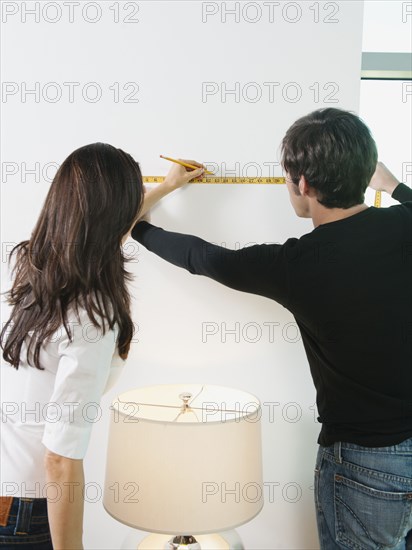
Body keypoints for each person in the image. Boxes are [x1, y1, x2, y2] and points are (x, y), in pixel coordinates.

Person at [132, 108, 412, 549]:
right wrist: (394, 187)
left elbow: (204, 258)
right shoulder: (404, 224)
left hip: (365, 461)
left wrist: (140, 227)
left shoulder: (294, 265)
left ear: (302, 183)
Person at [0, 143, 204, 549]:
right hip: (28, 503)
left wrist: (164, 188)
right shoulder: (92, 316)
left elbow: (102, 231)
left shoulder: (34, 267)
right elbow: (59, 460)